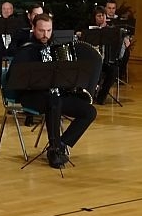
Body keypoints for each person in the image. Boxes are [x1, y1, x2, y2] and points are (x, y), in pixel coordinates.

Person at [9, 13, 98, 169]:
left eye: (49, 30)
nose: (45, 34)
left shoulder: (56, 49)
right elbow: (14, 80)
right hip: (31, 96)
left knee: (89, 111)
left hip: (55, 95)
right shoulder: (25, 51)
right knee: (53, 101)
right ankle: (54, 149)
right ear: (33, 28)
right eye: (41, 30)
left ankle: (62, 144)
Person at [0, 2, 27, 89]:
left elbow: (24, 35)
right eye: (4, 9)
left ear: (12, 10)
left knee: (18, 53)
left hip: (13, 46)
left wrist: (16, 33)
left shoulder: (18, 21)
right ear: (1, 10)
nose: (6, 11)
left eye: (8, 9)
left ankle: (14, 79)